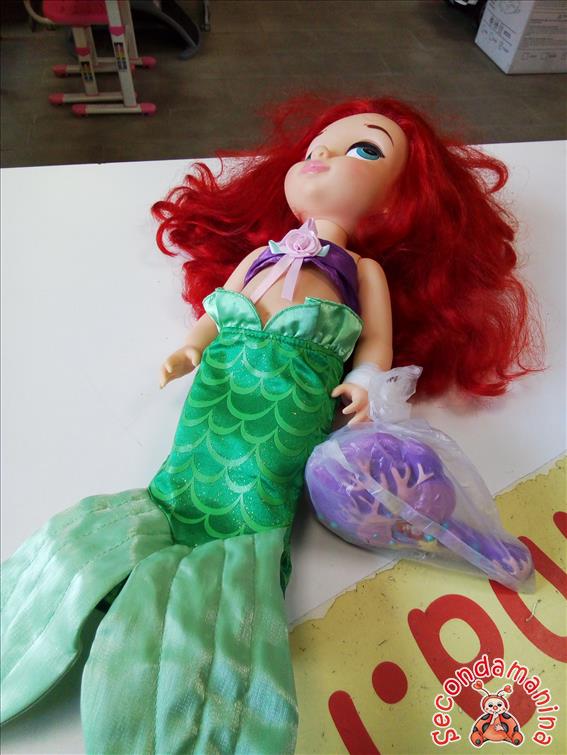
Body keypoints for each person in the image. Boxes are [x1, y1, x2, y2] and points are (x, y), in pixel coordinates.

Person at [0, 96, 540, 755]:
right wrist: (188, 349)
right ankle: (104, 579)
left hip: (291, 402)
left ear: (402, 200)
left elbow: (375, 342)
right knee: (180, 481)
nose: (323, 156)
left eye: (364, 150)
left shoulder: (362, 271)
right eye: (316, 147)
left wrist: (365, 382)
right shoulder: (260, 255)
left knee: (256, 497)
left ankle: (208, 663)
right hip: (220, 386)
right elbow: (216, 312)